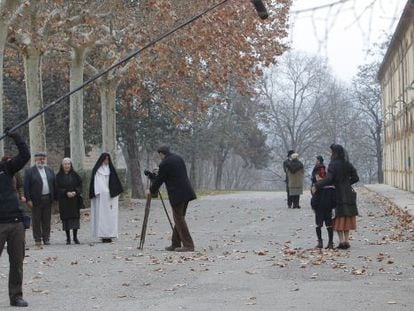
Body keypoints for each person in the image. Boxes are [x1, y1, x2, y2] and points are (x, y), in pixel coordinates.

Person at [0, 130, 30, 307]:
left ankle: (16, 296)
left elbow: (25, 155)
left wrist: (15, 136)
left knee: (17, 262)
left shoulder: (6, 168)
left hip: (16, 223)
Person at [149, 146, 196, 252]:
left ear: (161, 154)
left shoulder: (165, 163)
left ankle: (189, 245)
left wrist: (151, 190)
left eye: (159, 155)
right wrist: (160, 171)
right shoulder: (178, 158)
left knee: (179, 219)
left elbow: (160, 180)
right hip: (187, 191)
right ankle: (175, 243)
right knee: (179, 218)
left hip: (177, 194)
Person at [312, 144, 359, 249]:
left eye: (332, 152)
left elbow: (329, 179)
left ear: (335, 153)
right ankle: (346, 241)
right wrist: (347, 183)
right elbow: (356, 178)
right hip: (348, 193)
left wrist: (317, 185)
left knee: (338, 217)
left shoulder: (333, 165)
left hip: (337, 193)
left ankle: (341, 241)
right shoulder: (348, 164)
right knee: (347, 217)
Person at [89, 153, 123, 243]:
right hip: (101, 197)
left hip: (111, 197)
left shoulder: (111, 170)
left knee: (111, 216)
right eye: (105, 159)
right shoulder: (97, 170)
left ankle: (111, 234)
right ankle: (103, 235)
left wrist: (112, 192)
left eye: (108, 159)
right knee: (102, 217)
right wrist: (104, 192)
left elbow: (115, 183)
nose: (106, 161)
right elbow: (97, 183)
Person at [23, 152, 55, 247]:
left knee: (47, 220)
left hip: (48, 198)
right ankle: (37, 239)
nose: (41, 161)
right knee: (36, 221)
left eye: (43, 159)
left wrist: (55, 197)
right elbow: (26, 187)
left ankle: (46, 238)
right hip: (36, 200)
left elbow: (54, 184)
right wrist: (28, 199)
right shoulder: (29, 171)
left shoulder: (49, 170)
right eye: (39, 159)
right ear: (35, 160)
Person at [55, 158, 83, 245]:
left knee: (75, 219)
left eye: (68, 164)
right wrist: (65, 192)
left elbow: (80, 185)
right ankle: (68, 238)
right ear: (62, 165)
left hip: (74, 201)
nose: (67, 166)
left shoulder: (75, 175)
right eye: (65, 164)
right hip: (64, 201)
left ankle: (75, 237)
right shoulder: (58, 176)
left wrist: (75, 191)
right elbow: (57, 188)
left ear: (71, 165)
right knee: (66, 220)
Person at [310, 168, 335, 249]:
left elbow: (314, 198)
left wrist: (313, 206)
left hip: (319, 209)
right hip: (328, 208)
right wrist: (333, 207)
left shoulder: (316, 186)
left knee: (318, 225)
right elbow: (334, 198)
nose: (317, 178)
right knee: (329, 225)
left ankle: (320, 242)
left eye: (317, 176)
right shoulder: (331, 186)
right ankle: (330, 242)